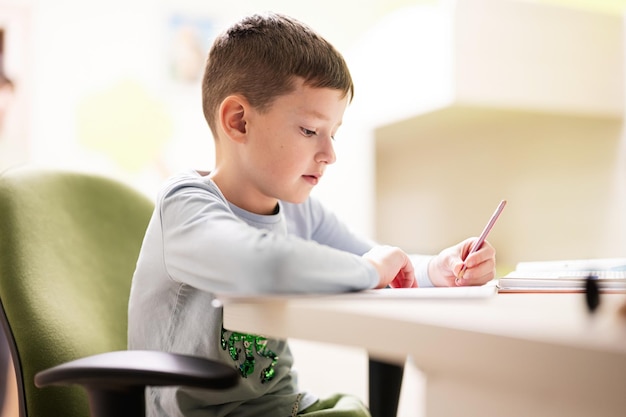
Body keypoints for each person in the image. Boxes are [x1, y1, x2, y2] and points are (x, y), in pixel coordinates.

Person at [127, 12, 496, 417]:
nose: (330, 154)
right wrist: (372, 270)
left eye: (333, 133)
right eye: (309, 131)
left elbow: (372, 258)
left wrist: (436, 270)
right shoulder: (185, 206)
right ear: (239, 121)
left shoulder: (298, 211)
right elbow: (261, 264)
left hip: (285, 407)